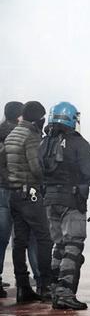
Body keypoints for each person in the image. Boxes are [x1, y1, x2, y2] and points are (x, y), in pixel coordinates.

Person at [40, 101, 90, 310]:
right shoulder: (78, 143)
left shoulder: (44, 142)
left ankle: (53, 290)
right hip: (72, 201)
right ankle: (65, 292)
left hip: (50, 200)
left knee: (58, 247)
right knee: (73, 246)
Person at [4, 101, 53, 304]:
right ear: (37, 118)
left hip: (13, 194)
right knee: (44, 238)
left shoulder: (12, 134)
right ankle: (45, 285)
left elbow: (3, 163)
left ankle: (23, 287)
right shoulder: (31, 136)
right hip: (30, 194)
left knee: (20, 242)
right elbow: (36, 168)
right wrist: (47, 178)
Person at [0, 101, 24, 298]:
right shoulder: (18, 134)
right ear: (19, 116)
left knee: (2, 238)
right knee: (23, 236)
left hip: (2, 188)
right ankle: (27, 278)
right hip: (12, 189)